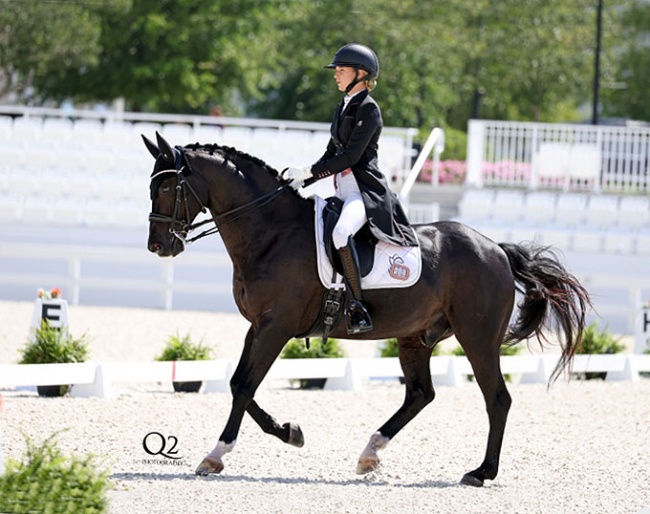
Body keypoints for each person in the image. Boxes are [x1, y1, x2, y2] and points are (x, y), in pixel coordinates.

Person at [285, 43, 418, 335]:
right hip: (342, 190)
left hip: (364, 193)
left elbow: (349, 158)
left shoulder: (369, 110)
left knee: (341, 233)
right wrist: (301, 180)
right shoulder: (342, 107)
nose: (336, 76)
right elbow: (331, 154)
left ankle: (357, 306)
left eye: (341, 71)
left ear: (361, 74)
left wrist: (310, 172)